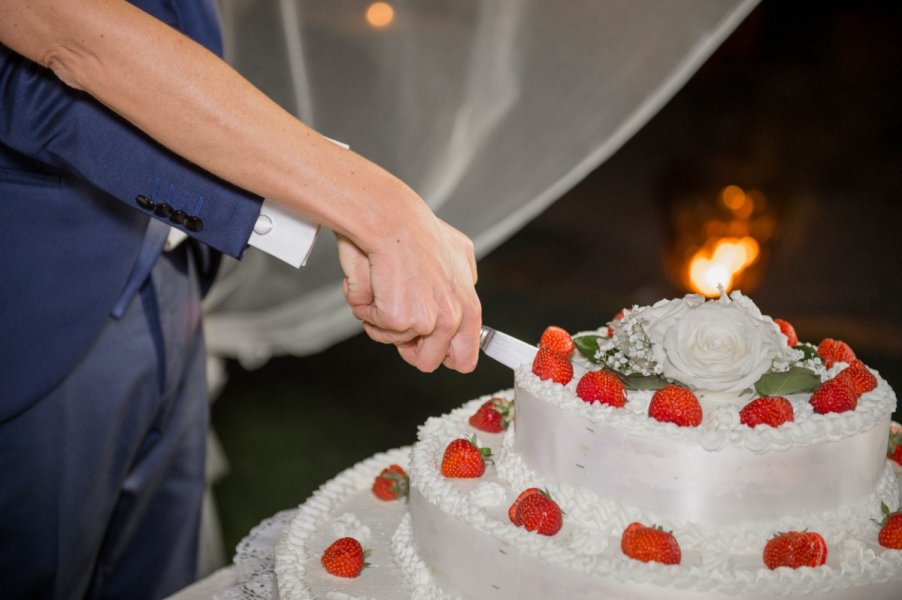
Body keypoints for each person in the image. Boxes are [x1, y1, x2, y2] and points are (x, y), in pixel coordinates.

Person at [0, 0, 481, 598]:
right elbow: (66, 45)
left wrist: (310, 205)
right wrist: (373, 209)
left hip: (172, 278)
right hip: (36, 297)